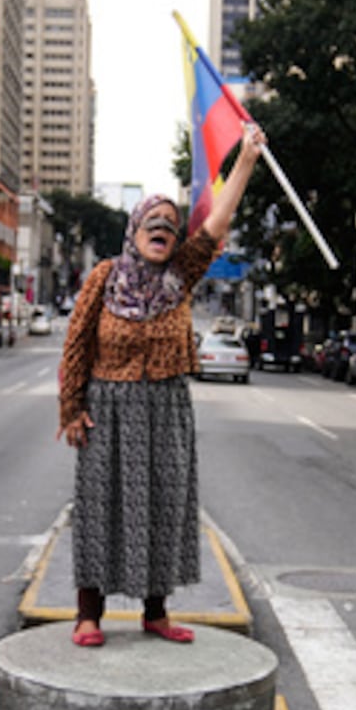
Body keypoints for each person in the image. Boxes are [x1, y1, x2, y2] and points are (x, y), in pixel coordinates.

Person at [57, 120, 267, 648]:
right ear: (134, 230)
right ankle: (89, 614)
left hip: (168, 406)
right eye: (152, 223)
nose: (163, 231)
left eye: (170, 227)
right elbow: (76, 346)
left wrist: (245, 158)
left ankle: (156, 611)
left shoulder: (182, 275)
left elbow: (217, 223)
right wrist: (71, 410)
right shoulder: (105, 277)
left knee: (165, 506)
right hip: (107, 405)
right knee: (100, 506)